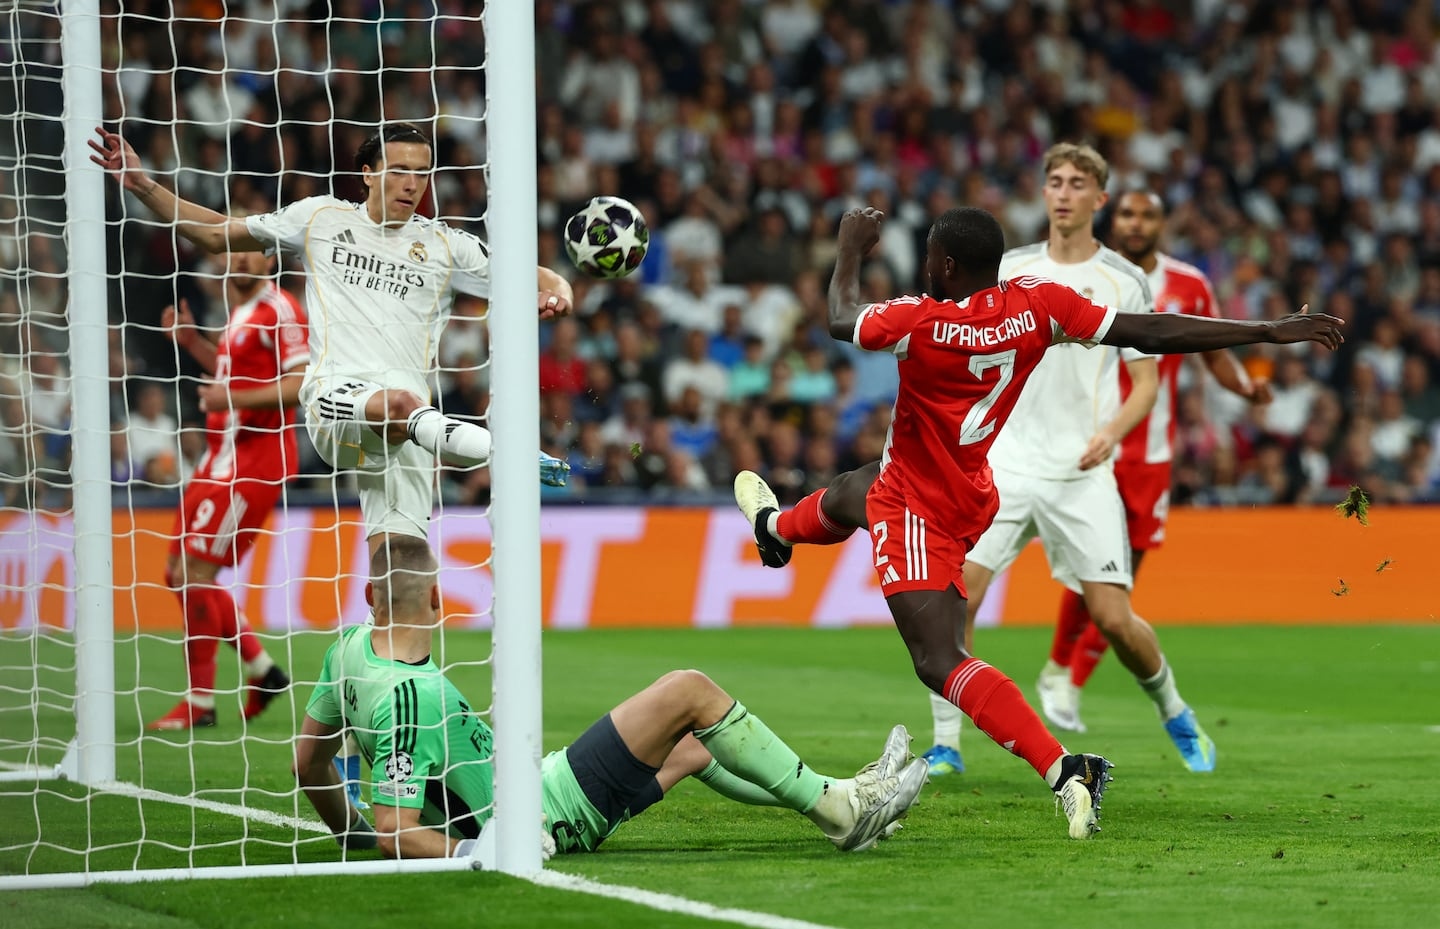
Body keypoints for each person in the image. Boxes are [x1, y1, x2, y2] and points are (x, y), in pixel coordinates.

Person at [734, 203, 1341, 837]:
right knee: (855, 489)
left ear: (944, 264)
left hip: (920, 509)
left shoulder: (920, 321)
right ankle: (776, 532)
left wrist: (851, 248)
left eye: (929, 255)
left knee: (941, 662)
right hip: (971, 491)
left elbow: (839, 317)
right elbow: (1153, 330)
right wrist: (1266, 330)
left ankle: (1066, 768)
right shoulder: (1038, 307)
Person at [90, 121, 573, 565]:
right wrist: (142, 185)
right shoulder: (320, 218)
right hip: (334, 403)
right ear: (367, 173)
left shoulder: (449, 246)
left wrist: (560, 291)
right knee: (401, 404)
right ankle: (512, 454)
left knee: (406, 577)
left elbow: (539, 276)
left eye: (422, 173)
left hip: (411, 432)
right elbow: (218, 234)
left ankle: (372, 656)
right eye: (400, 170)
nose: (413, 184)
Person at [292, 535, 930, 858]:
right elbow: (394, 828)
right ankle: (843, 811)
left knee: (693, 746)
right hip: (548, 811)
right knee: (690, 691)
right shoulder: (409, 697)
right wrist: (474, 850)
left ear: (370, 597)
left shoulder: (345, 651)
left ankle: (837, 804)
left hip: (536, 784)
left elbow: (307, 764)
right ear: (436, 599)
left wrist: (345, 834)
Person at [1036, 190, 1276, 734]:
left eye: (1147, 215)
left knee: (1121, 578)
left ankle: (1065, 678)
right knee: (1087, 568)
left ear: (1163, 223)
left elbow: (1213, 353)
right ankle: (1062, 676)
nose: (1137, 223)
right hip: (1090, 439)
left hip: (1151, 451)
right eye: (1128, 213)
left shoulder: (1189, 284)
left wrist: (1245, 390)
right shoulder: (1091, 275)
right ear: (1112, 218)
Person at [147, 248, 309, 730]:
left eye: (250, 251)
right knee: (178, 571)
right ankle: (262, 670)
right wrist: (194, 342)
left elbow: (301, 385)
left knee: (196, 569)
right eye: (231, 249)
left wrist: (231, 397)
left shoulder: (281, 308)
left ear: (268, 260)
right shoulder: (237, 310)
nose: (239, 259)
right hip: (218, 458)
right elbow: (226, 379)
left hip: (255, 459)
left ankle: (199, 703)